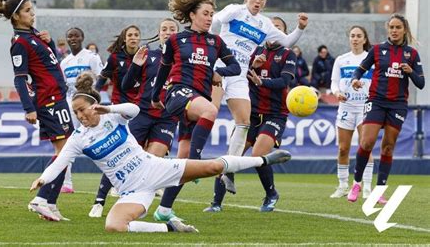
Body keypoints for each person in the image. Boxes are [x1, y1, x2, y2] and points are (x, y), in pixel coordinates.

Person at [29, 73, 292, 233]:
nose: (80, 115)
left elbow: (133, 110)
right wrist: (43, 178)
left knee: (212, 167)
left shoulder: (112, 118)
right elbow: (60, 162)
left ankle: (263, 159)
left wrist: (109, 109)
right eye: (75, 112)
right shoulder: (78, 138)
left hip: (153, 168)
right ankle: (168, 226)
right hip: (132, 190)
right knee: (113, 227)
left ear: (93, 105)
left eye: (82, 109)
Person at [150, 0, 243, 222]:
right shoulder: (176, 40)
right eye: (205, 13)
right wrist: (155, 95)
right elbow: (163, 68)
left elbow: (236, 68)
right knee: (211, 110)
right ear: (192, 15)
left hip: (196, 99)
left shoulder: (216, 41)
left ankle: (164, 209)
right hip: (178, 93)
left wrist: (217, 71)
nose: (210, 18)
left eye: (212, 14)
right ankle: (196, 159)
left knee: (182, 164)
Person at [209, 0, 308, 194]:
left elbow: (288, 40)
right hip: (220, 67)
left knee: (243, 123)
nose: (257, 1)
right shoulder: (235, 10)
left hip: (239, 75)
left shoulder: (265, 24)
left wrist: (300, 27)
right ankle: (192, 159)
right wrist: (211, 48)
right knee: (209, 112)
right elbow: (214, 22)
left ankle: (227, 171)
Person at [0, 0, 74, 221]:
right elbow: (20, 79)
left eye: (32, 9)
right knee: (65, 151)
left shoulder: (34, 36)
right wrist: (29, 108)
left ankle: (50, 203)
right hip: (49, 101)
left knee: (65, 152)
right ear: (16, 16)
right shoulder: (20, 43)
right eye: (27, 11)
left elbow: (51, 63)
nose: (32, 14)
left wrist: (51, 43)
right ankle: (41, 199)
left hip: (58, 98)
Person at [88, 18, 180, 218]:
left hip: (167, 117)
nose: (168, 32)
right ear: (159, 33)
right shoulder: (149, 55)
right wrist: (136, 65)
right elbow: (127, 85)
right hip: (143, 113)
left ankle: (135, 206)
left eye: (172, 29)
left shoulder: (184, 59)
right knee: (121, 155)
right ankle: (100, 200)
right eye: (164, 29)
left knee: (153, 161)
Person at [204, 17, 295, 212]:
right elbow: (240, 74)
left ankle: (271, 194)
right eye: (273, 27)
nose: (274, 32)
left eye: (279, 28)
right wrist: (254, 67)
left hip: (275, 114)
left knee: (258, 154)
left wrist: (263, 82)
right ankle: (216, 204)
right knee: (231, 154)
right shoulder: (254, 51)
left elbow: (284, 81)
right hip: (251, 113)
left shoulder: (288, 54)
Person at [348, 14, 425, 204]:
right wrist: (355, 80)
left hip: (397, 104)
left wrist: (411, 72)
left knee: (388, 147)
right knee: (367, 142)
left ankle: (380, 190)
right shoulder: (377, 50)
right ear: (387, 29)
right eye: (391, 27)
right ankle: (356, 183)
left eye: (398, 27)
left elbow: (421, 83)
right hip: (376, 100)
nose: (394, 30)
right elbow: (360, 69)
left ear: (404, 30)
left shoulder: (412, 54)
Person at [89, 25, 142, 211]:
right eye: (130, 35)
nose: (133, 38)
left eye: (136, 35)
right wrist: (92, 97)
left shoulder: (146, 56)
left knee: (137, 152)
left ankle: (131, 189)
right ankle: (99, 200)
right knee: (117, 151)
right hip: (118, 110)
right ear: (125, 38)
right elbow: (102, 79)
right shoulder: (114, 58)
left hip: (140, 109)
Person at [329, 26, 374, 199]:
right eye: (353, 36)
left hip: (365, 108)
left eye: (359, 36)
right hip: (346, 108)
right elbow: (334, 82)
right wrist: (337, 93)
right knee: (343, 149)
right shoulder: (341, 60)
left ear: (364, 39)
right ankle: (342, 185)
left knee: (366, 147)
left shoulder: (371, 59)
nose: (355, 39)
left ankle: (367, 187)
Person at [59, 27, 104, 194]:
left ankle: (112, 182)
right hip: (71, 107)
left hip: (89, 107)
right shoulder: (65, 62)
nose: (73, 39)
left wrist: (94, 99)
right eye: (70, 36)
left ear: (82, 37)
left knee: (99, 140)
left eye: (76, 36)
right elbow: (63, 86)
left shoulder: (91, 57)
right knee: (67, 143)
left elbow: (101, 78)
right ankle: (67, 183)